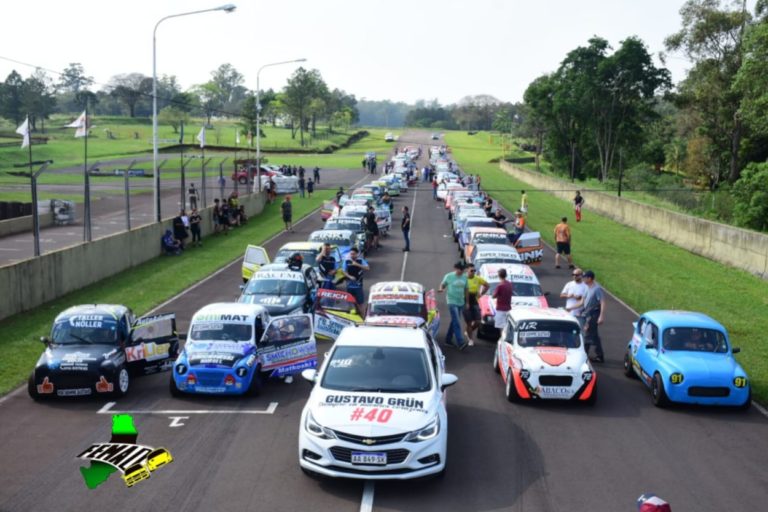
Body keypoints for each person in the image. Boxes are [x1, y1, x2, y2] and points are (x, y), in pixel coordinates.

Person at [575, 270, 606, 363]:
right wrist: (570, 308)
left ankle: (584, 355)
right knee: (594, 336)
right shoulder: (587, 287)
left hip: (593, 315)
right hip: (587, 314)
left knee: (587, 334)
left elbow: (603, 302)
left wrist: (601, 316)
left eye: (584, 277)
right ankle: (599, 355)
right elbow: (583, 302)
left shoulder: (597, 289)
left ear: (590, 278)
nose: (583, 279)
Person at [438, 262, 469, 350]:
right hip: (451, 301)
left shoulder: (464, 277)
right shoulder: (449, 276)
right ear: (455, 268)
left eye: (463, 270)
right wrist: (441, 289)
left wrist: (467, 302)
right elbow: (443, 284)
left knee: (454, 321)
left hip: (461, 301)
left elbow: (466, 289)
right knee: (457, 322)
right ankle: (460, 342)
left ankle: (448, 340)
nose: (462, 271)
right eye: (460, 269)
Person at [463, 264, 488, 345]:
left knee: (478, 321)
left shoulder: (477, 278)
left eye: (474, 271)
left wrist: (481, 294)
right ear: (467, 270)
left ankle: (468, 331)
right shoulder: (463, 278)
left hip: (474, 301)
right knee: (469, 322)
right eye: (471, 270)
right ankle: (470, 339)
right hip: (465, 301)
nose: (473, 272)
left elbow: (487, 285)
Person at [492, 268, 513, 336]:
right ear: (506, 275)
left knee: (501, 328)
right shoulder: (509, 284)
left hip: (501, 309)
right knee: (507, 326)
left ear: (499, 276)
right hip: (508, 308)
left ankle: (502, 342)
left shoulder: (500, 286)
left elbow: (494, 296)